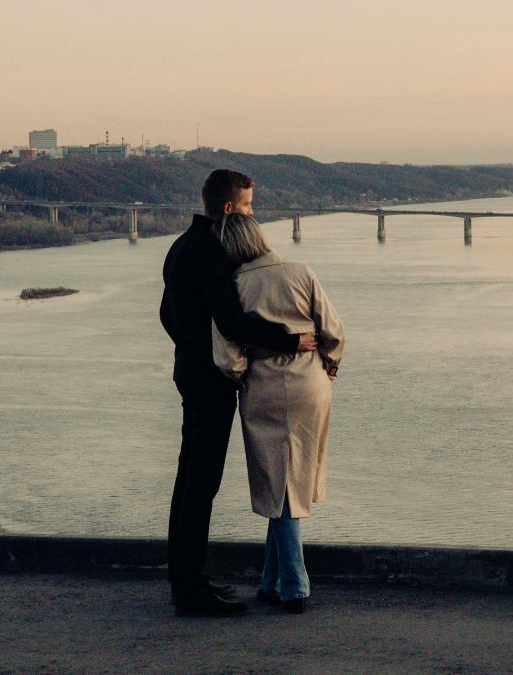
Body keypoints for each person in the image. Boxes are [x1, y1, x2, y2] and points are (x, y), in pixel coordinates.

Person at [160, 169, 317, 617]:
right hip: (209, 378)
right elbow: (231, 321)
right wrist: (291, 339)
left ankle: (185, 580)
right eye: (248, 205)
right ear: (229, 208)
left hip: (189, 370)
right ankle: (192, 593)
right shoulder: (212, 250)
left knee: (187, 478)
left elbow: (165, 313)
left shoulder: (181, 245)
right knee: (201, 483)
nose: (253, 213)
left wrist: (188, 347)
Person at [211, 213, 344, 615]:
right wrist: (329, 365)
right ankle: (270, 581)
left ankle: (294, 585)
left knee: (278, 481)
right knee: (290, 478)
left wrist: (244, 372)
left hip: (266, 384)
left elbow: (226, 355)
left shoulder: (234, 285)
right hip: (311, 383)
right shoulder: (300, 271)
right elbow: (333, 330)